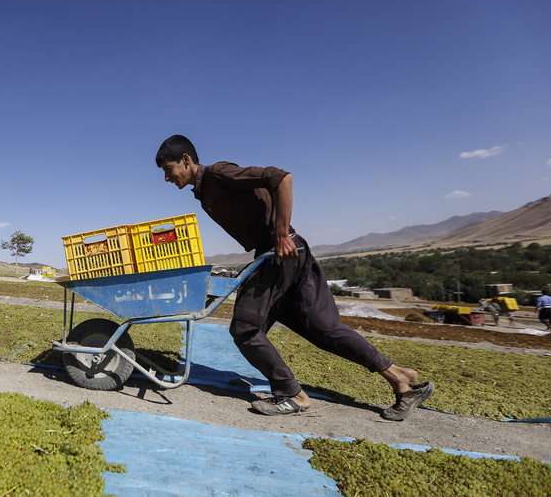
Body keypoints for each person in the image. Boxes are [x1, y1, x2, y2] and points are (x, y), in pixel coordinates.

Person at [155, 135, 433, 420]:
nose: (166, 177)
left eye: (168, 169)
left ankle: (291, 394)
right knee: (323, 328)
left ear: (186, 160)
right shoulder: (204, 191)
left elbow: (281, 178)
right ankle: (400, 379)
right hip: (285, 253)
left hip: (280, 252)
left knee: (245, 329)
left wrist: (280, 231)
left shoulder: (218, 173)